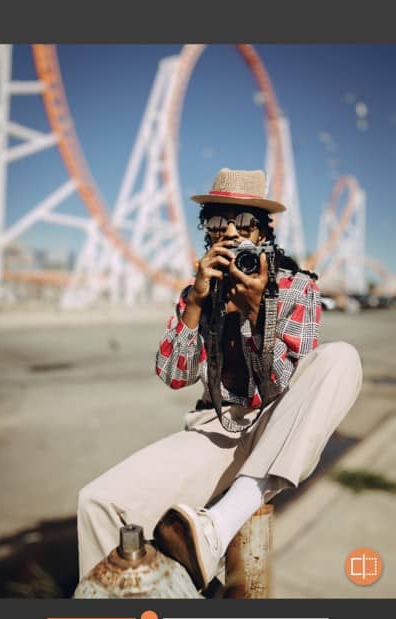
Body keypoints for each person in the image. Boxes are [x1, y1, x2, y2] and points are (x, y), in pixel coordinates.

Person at [77, 168, 362, 593]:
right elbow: (175, 376)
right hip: (215, 427)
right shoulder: (198, 290)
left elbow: (280, 383)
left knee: (342, 358)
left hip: (280, 419)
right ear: (206, 232)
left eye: (243, 222)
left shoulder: (297, 288)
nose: (229, 231)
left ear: (264, 232)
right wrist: (195, 302)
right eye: (217, 221)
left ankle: (219, 524)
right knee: (98, 502)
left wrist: (255, 313)